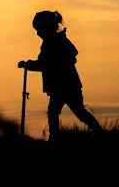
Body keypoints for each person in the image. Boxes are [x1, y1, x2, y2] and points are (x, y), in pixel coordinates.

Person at [19, 10, 105, 141]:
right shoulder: (59, 40)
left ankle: (55, 139)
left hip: (62, 85)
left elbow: (45, 64)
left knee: (56, 112)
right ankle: (100, 134)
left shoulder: (52, 43)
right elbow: (70, 55)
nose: (37, 33)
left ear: (46, 28)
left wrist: (29, 65)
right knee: (75, 112)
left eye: (39, 29)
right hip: (68, 84)